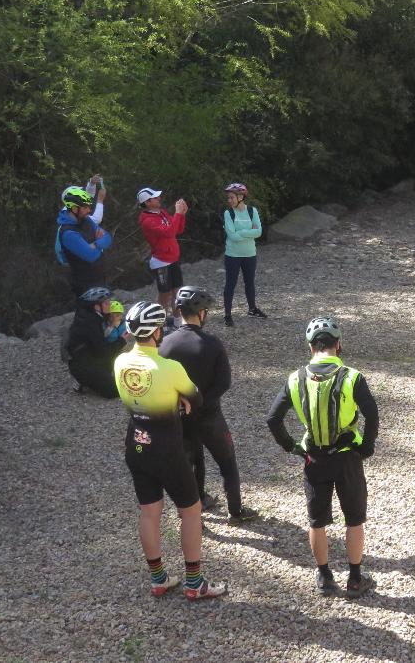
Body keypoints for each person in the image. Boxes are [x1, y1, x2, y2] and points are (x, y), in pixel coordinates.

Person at [116, 301, 227, 600]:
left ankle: (158, 578)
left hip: (136, 442)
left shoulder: (120, 363)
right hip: (167, 447)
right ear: (155, 332)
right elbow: (197, 398)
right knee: (190, 512)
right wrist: (179, 398)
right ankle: (194, 583)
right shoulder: (170, 367)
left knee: (149, 512)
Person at [267, 316, 379, 599]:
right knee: (354, 519)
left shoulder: (295, 378)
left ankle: (324, 577)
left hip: (313, 458)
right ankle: (355, 578)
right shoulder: (352, 376)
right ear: (338, 345)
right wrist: (366, 446)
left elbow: (273, 419)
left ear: (310, 347)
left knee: (317, 520)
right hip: (346, 457)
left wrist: (291, 446)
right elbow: (372, 414)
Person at [158, 286, 258, 523]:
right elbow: (224, 382)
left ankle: (196, 517)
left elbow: (161, 383)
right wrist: (201, 401)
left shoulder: (165, 344)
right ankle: (236, 512)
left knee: (190, 465)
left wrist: (183, 403)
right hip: (210, 416)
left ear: (178, 310)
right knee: (227, 462)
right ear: (202, 314)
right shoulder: (212, 343)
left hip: (180, 417)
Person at [64, 286, 127, 398]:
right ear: (97, 306)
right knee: (113, 391)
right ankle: (85, 380)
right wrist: (122, 340)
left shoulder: (89, 316)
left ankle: (89, 380)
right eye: (106, 303)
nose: (110, 305)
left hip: (88, 356)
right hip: (83, 363)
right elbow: (104, 351)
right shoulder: (90, 323)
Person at [220, 182, 266, 327]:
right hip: (232, 255)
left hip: (250, 254)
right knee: (230, 284)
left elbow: (259, 232)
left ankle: (252, 309)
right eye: (228, 198)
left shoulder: (252, 211)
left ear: (241, 196)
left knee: (250, 282)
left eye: (231, 197)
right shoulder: (229, 213)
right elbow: (232, 236)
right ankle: (227, 314)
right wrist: (248, 232)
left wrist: (241, 232)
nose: (229, 200)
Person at [137, 187, 189, 311]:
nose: (159, 198)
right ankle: (161, 324)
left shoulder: (162, 213)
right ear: (147, 202)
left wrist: (182, 215)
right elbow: (169, 232)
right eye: (155, 198)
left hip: (173, 258)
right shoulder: (148, 221)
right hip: (161, 262)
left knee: (177, 292)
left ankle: (177, 323)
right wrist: (177, 213)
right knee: (164, 295)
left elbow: (178, 230)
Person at [55, 186, 112, 297]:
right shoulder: (68, 233)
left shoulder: (86, 220)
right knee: (89, 313)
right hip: (85, 284)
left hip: (98, 278)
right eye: (85, 207)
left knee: (105, 311)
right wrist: (99, 243)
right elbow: (92, 256)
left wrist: (95, 244)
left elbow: (108, 238)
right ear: (75, 209)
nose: (89, 210)